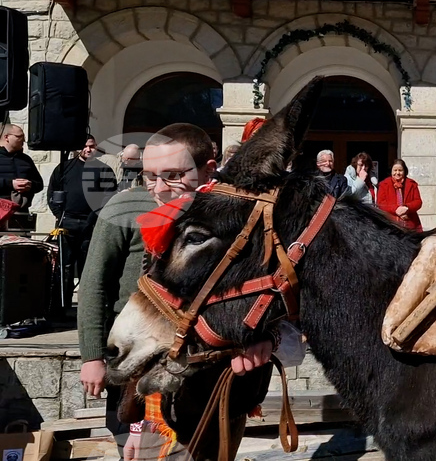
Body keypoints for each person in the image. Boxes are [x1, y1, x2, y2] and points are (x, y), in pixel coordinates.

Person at [77, 124, 283, 460]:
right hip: (138, 367)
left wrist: (268, 336)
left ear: (209, 170)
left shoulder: (231, 217)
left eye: (173, 175)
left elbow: (262, 287)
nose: (159, 188)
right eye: (149, 175)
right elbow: (95, 284)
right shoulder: (124, 209)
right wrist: (91, 357)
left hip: (214, 373)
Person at [46, 135, 117, 304]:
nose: (88, 149)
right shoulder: (64, 168)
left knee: (89, 268)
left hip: (91, 225)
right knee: (65, 268)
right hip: (67, 223)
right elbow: (52, 193)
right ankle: (62, 305)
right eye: (84, 146)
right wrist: (59, 213)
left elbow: (108, 197)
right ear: (77, 148)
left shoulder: (104, 170)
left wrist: (93, 218)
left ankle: (87, 306)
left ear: (96, 147)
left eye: (91, 146)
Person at [0, 123, 43, 209]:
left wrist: (30, 185)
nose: (23, 140)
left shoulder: (26, 160)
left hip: (20, 212)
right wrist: (11, 184)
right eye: (19, 136)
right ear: (6, 137)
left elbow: (39, 184)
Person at [376, 159, 422, 231]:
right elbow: (380, 203)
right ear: (391, 171)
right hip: (390, 224)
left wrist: (407, 208)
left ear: (404, 171)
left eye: (400, 170)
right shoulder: (383, 184)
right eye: (395, 170)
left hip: (410, 223)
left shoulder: (412, 184)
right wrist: (396, 209)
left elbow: (418, 202)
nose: (397, 173)